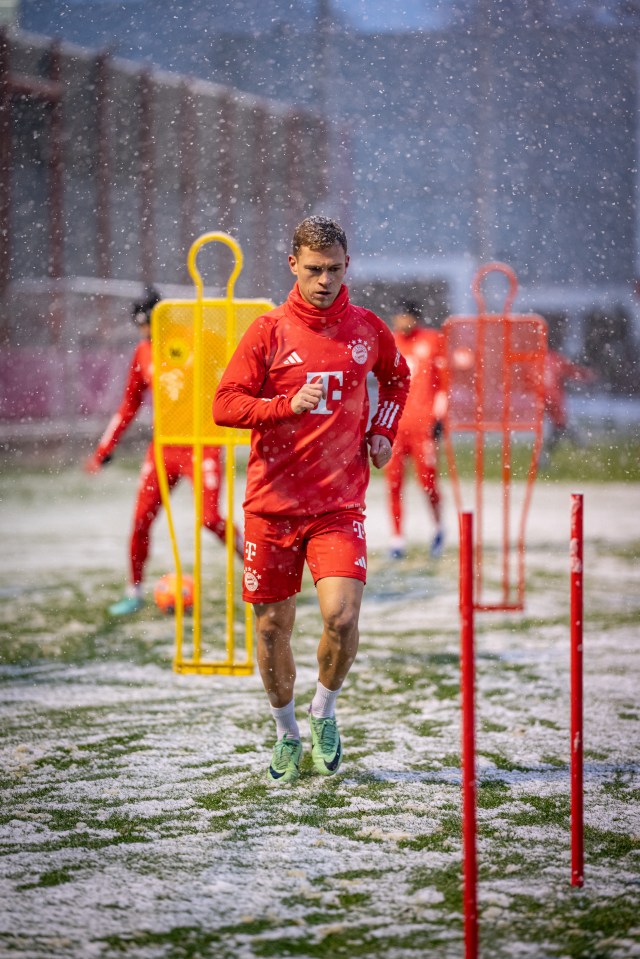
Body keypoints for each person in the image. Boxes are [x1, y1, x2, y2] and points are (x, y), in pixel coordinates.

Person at [213, 216, 410, 784]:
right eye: (315, 268)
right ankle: (285, 731)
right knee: (274, 628)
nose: (325, 280)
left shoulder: (367, 329)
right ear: (294, 264)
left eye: (335, 269)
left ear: (347, 267)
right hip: (272, 506)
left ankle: (323, 711)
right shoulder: (267, 332)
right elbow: (225, 405)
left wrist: (383, 431)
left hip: (338, 506)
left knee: (342, 618)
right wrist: (285, 407)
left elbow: (398, 380)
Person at [85, 286, 242, 616]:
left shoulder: (196, 339)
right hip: (164, 449)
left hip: (203, 444)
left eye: (151, 325)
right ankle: (134, 591)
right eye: (141, 327)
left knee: (211, 520)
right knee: (141, 519)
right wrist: (104, 450)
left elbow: (237, 362)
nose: (146, 333)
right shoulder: (143, 353)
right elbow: (129, 404)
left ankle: (256, 570)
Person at [383, 301, 447, 560]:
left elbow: (444, 383)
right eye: (397, 317)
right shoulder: (390, 342)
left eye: (404, 316)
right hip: (397, 428)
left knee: (428, 483)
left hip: (424, 427)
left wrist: (440, 417)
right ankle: (397, 539)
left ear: (414, 317)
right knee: (394, 483)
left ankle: (438, 528)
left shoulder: (432, 340)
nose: (400, 322)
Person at [541, 348, 596, 464]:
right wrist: (585, 375)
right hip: (553, 398)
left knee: (559, 425)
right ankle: (578, 439)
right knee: (560, 424)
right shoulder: (554, 358)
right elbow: (570, 370)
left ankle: (544, 455)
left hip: (540, 397)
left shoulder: (535, 359)